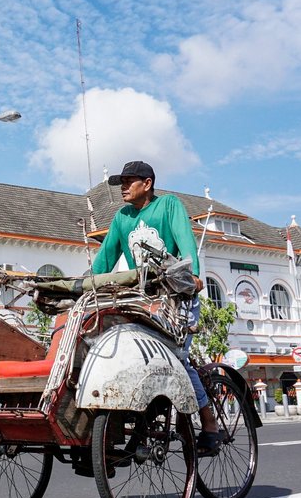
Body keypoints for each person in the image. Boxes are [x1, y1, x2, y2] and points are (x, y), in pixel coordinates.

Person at [92, 160, 221, 456]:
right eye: (121, 182)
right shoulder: (122, 217)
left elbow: (186, 242)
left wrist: (194, 276)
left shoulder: (169, 206)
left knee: (177, 358)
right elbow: (104, 259)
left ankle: (209, 422)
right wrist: (85, 286)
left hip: (178, 296)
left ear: (147, 183)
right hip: (145, 302)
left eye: (129, 181)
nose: (123, 187)